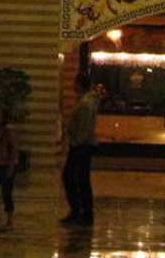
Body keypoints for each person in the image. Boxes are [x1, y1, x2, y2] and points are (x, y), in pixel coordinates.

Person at [61, 72, 99, 225]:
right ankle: (80, 212)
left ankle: (81, 212)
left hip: (81, 145)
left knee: (74, 178)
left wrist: (76, 142)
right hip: (81, 144)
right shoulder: (87, 101)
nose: (72, 85)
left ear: (79, 84)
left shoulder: (85, 103)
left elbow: (85, 127)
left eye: (74, 82)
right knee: (79, 178)